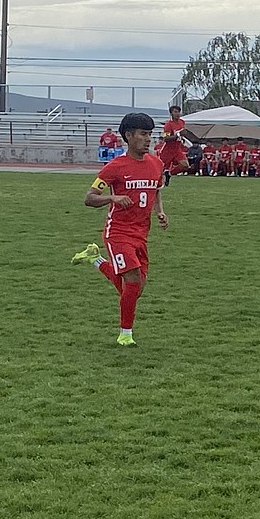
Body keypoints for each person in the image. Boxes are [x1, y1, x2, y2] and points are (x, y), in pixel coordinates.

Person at [71, 111, 168, 347]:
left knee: (135, 289)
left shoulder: (157, 163)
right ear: (129, 135)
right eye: (144, 134)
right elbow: (89, 198)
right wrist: (112, 198)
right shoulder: (115, 167)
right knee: (132, 281)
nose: (148, 140)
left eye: (150, 135)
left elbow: (156, 190)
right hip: (118, 232)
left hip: (141, 233)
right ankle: (126, 334)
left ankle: (95, 260)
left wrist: (160, 212)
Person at [158, 104, 189, 186]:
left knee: (185, 165)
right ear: (171, 113)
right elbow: (166, 138)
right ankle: (161, 179)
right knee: (159, 169)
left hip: (177, 148)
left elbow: (181, 134)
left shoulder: (182, 122)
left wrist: (182, 137)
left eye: (178, 112)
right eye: (175, 112)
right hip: (168, 149)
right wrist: (178, 135)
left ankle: (169, 173)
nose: (177, 114)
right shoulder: (168, 125)